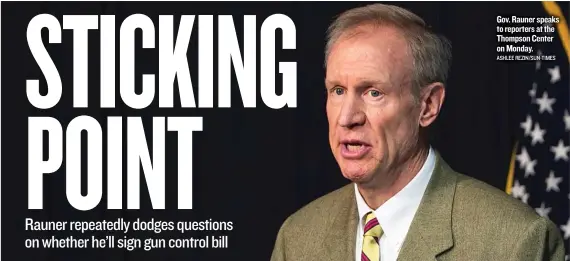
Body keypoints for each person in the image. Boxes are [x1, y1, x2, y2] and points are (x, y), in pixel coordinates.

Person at [270, 3, 565, 261]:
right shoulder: (297, 237)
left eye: (373, 92)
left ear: (428, 106)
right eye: (337, 90)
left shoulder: (516, 242)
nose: (347, 118)